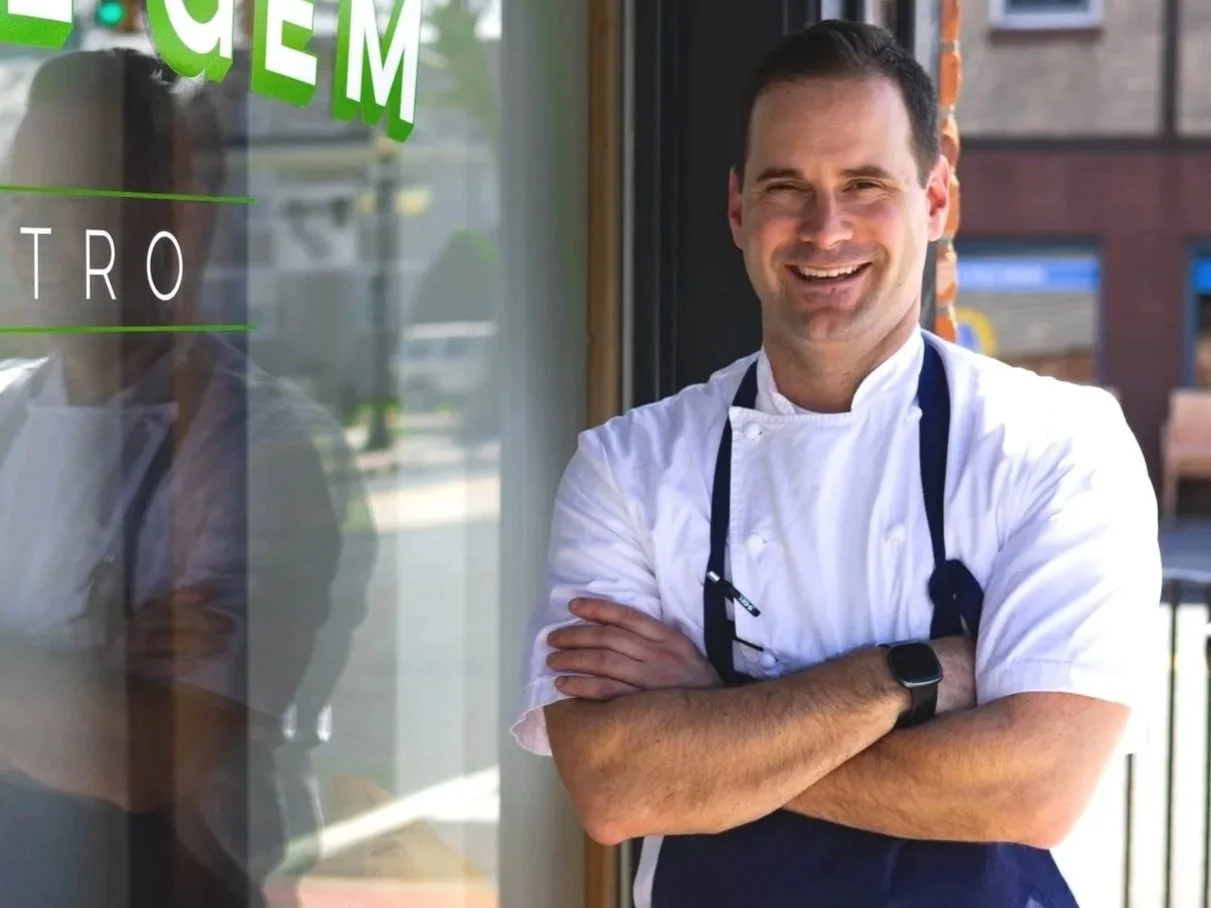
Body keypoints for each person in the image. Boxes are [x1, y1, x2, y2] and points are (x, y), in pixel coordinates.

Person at [512, 20, 1161, 908]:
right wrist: (909, 677)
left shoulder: (1055, 444)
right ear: (738, 210)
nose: (825, 229)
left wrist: (714, 714)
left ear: (936, 200)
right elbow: (614, 785)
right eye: (786, 187)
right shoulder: (628, 467)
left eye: (865, 184)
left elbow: (1033, 788)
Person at [0, 48, 372, 907]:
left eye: (74, 199)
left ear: (171, 225)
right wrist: (80, 671)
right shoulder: (7, 415)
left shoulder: (262, 450)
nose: (34, 235)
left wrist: (87, 705)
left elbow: (137, 756)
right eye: (22, 200)